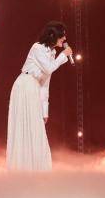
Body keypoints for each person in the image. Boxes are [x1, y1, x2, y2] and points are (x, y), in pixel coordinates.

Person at [6, 21, 73, 171]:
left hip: (35, 88)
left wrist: (44, 111)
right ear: (53, 35)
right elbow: (48, 69)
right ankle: (21, 168)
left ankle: (36, 168)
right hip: (24, 86)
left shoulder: (52, 53)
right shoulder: (37, 48)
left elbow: (45, 84)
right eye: (62, 35)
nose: (64, 39)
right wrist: (63, 56)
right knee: (24, 126)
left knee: (37, 128)